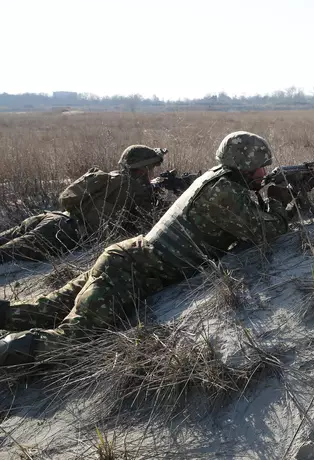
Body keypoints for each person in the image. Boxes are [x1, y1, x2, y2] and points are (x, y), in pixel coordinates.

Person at [0, 131, 295, 365]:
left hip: (126, 258)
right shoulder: (224, 190)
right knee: (72, 340)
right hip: (129, 271)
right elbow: (265, 231)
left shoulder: (217, 178)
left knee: (47, 309)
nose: (264, 172)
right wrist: (280, 200)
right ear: (245, 166)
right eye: (261, 167)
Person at [0, 145, 167, 264]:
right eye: (151, 168)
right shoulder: (135, 190)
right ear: (142, 169)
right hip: (62, 232)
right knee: (4, 255)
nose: (152, 172)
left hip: (51, 218)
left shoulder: (113, 177)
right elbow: (149, 221)